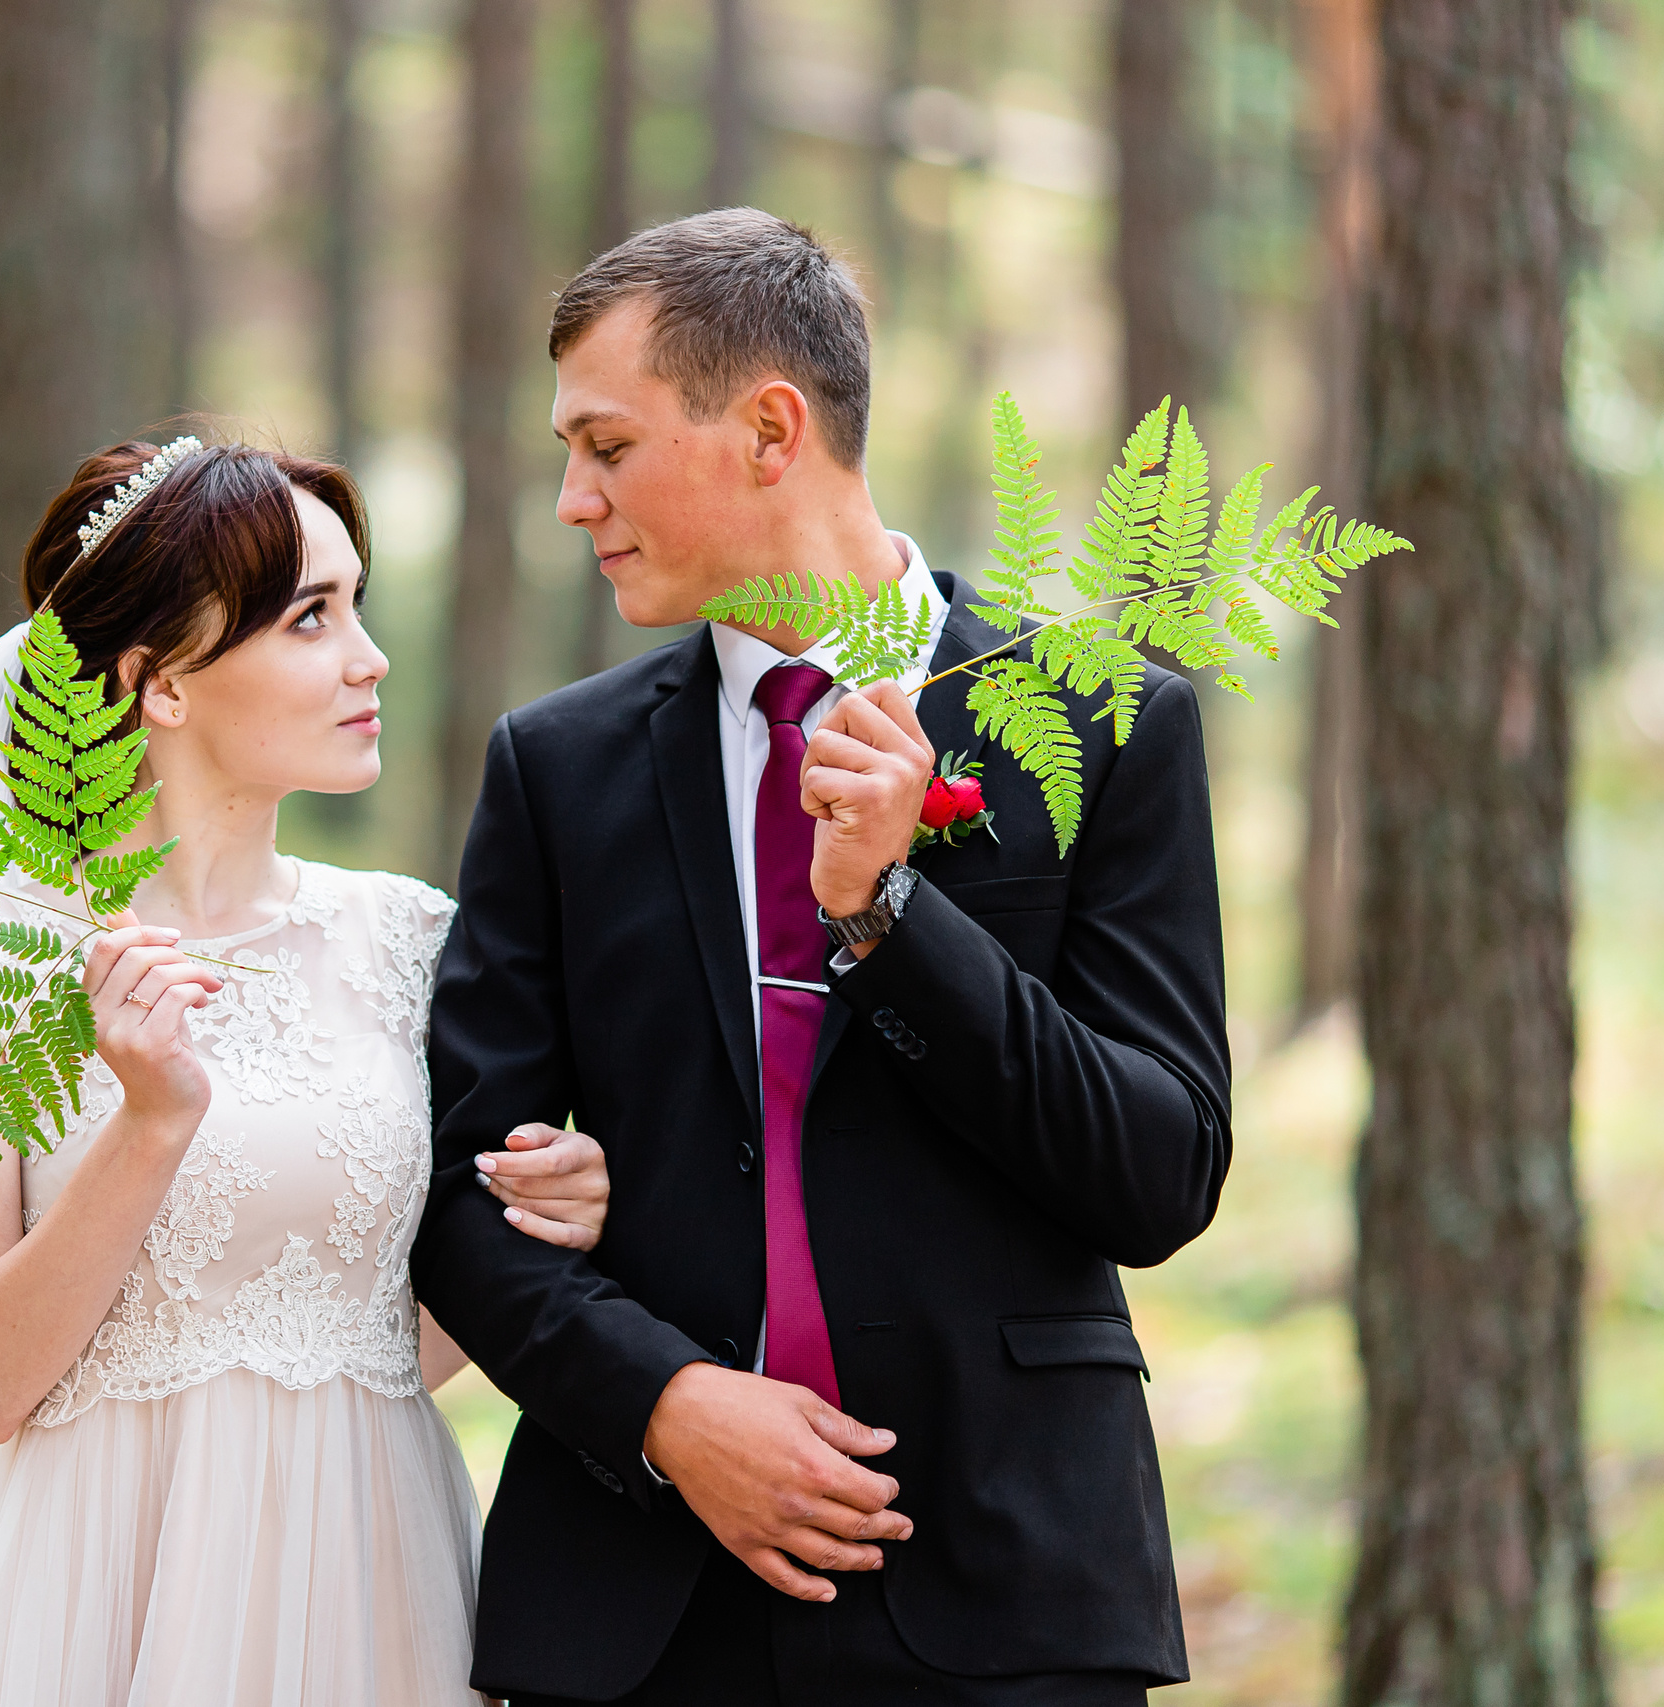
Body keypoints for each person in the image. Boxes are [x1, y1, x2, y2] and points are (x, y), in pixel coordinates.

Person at [412, 208, 1232, 1705]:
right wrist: (664, 1404)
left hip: (1006, 1584)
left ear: (771, 430)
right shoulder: (558, 766)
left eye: (605, 445)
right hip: (642, 1607)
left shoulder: (1113, 722)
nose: (569, 501)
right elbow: (460, 1198)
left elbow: (1160, 1170)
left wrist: (891, 918)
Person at [0, 438, 615, 1706]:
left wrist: (553, 1222)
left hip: (369, 1571)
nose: (368, 656)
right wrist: (150, 1123)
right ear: (157, 683)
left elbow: (387, 1341)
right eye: (310, 617)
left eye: (358, 604)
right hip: (99, 1594)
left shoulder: (409, 942)